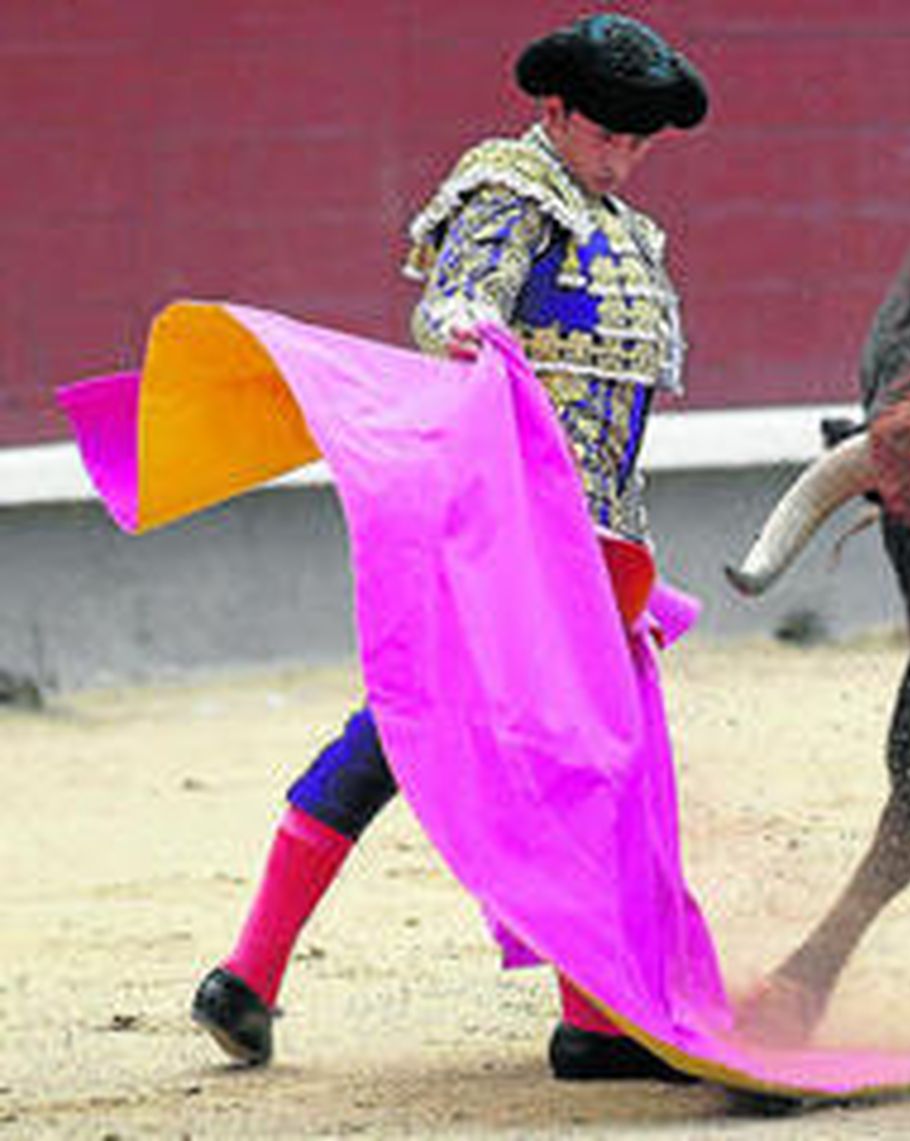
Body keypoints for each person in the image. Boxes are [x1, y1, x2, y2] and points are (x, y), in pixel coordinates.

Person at [190, 13, 709, 1083]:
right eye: (609, 132)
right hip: (506, 536)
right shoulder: (509, 191)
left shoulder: (626, 228)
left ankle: (251, 978)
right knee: (539, 750)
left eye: (641, 139)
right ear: (555, 110)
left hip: (589, 544)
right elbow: (458, 294)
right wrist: (468, 321)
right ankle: (590, 1023)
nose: (625, 153)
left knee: (468, 740)